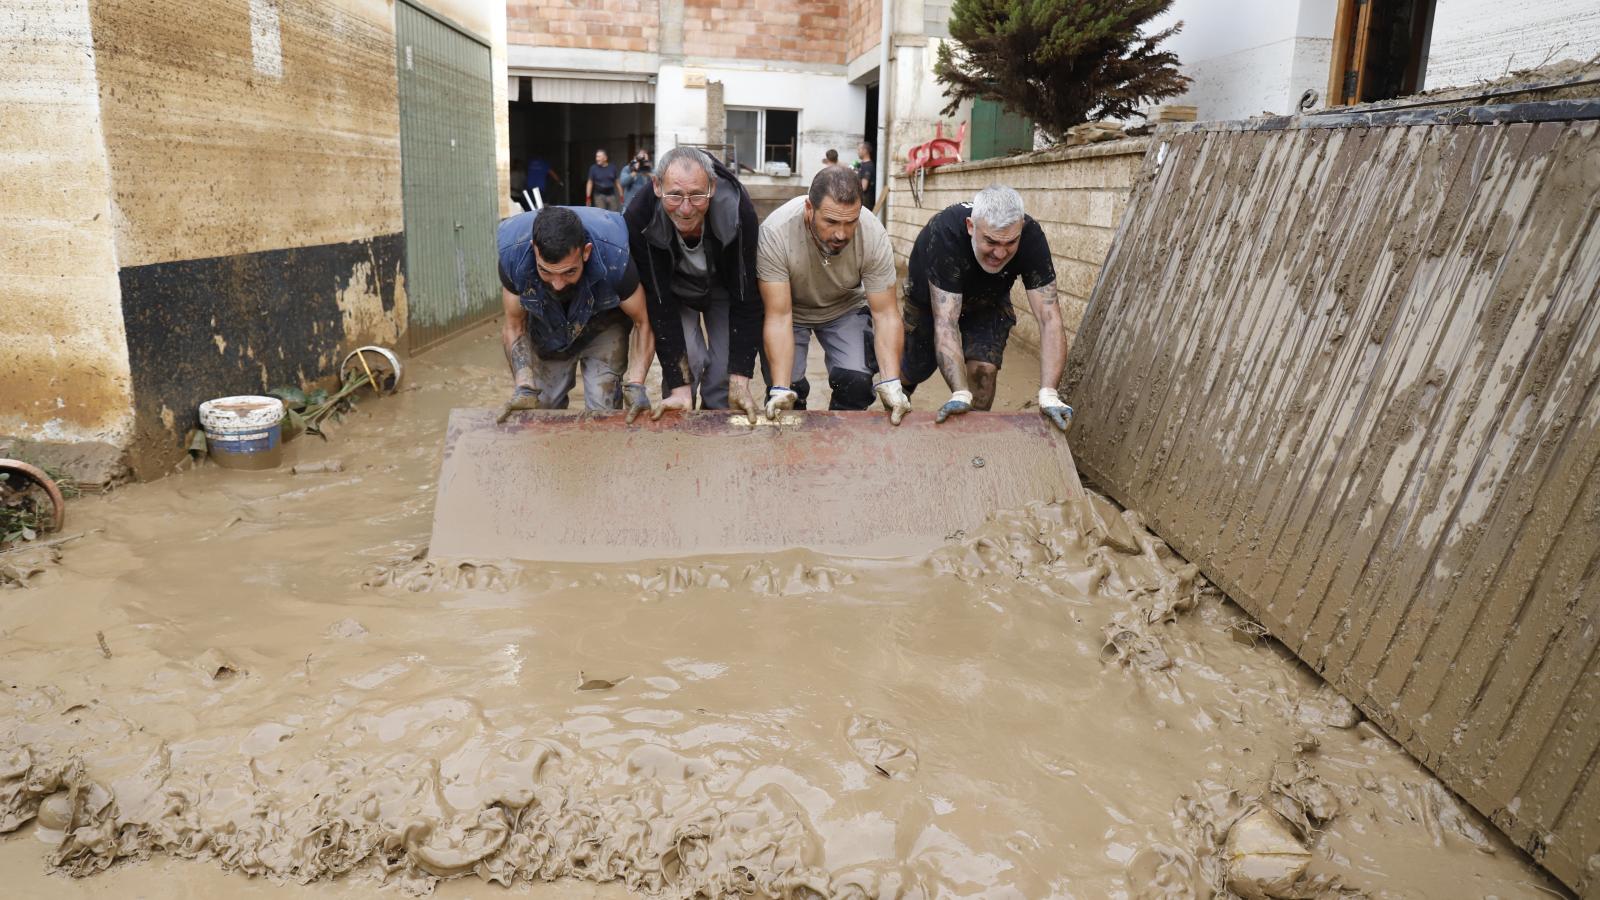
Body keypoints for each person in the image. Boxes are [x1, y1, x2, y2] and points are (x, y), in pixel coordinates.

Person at [902, 185, 1072, 431]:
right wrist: (960, 392)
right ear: (971, 227)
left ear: (1021, 229)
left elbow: (1050, 319)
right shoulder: (945, 232)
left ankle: (973, 440)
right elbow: (946, 322)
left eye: (1010, 242)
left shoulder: (1031, 236)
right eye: (990, 241)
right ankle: (898, 403)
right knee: (916, 366)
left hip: (988, 297)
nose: (1000, 253)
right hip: (931, 299)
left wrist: (1049, 394)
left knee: (984, 372)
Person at [756, 167, 909, 423]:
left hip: (844, 307)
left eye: (850, 222)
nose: (841, 234)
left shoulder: (873, 234)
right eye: (831, 222)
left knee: (858, 384)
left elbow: (885, 314)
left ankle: (839, 441)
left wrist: (892, 382)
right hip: (791, 312)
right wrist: (781, 387)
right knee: (786, 394)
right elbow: (778, 316)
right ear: (809, 209)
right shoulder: (776, 232)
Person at [624, 146, 764, 418]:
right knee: (690, 358)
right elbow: (658, 300)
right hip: (674, 287)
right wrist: (679, 386)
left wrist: (740, 379)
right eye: (675, 196)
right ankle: (680, 418)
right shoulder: (639, 217)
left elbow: (747, 296)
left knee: (725, 369)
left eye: (697, 196)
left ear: (712, 187)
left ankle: (715, 424)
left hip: (724, 283)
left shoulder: (738, 211)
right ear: (656, 186)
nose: (686, 209)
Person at [495, 205, 655, 422]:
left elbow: (642, 322)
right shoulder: (513, 256)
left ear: (586, 252)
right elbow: (514, 325)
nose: (558, 284)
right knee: (544, 407)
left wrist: (636, 384)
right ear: (534, 250)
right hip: (547, 325)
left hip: (604, 322)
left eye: (570, 271)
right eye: (546, 271)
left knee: (603, 407)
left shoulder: (616, 257)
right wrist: (524, 385)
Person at [854, 141, 876, 211]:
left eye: (859, 149)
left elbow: (863, 187)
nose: (857, 152)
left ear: (865, 150)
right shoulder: (862, 164)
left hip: (865, 204)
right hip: (861, 202)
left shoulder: (868, 166)